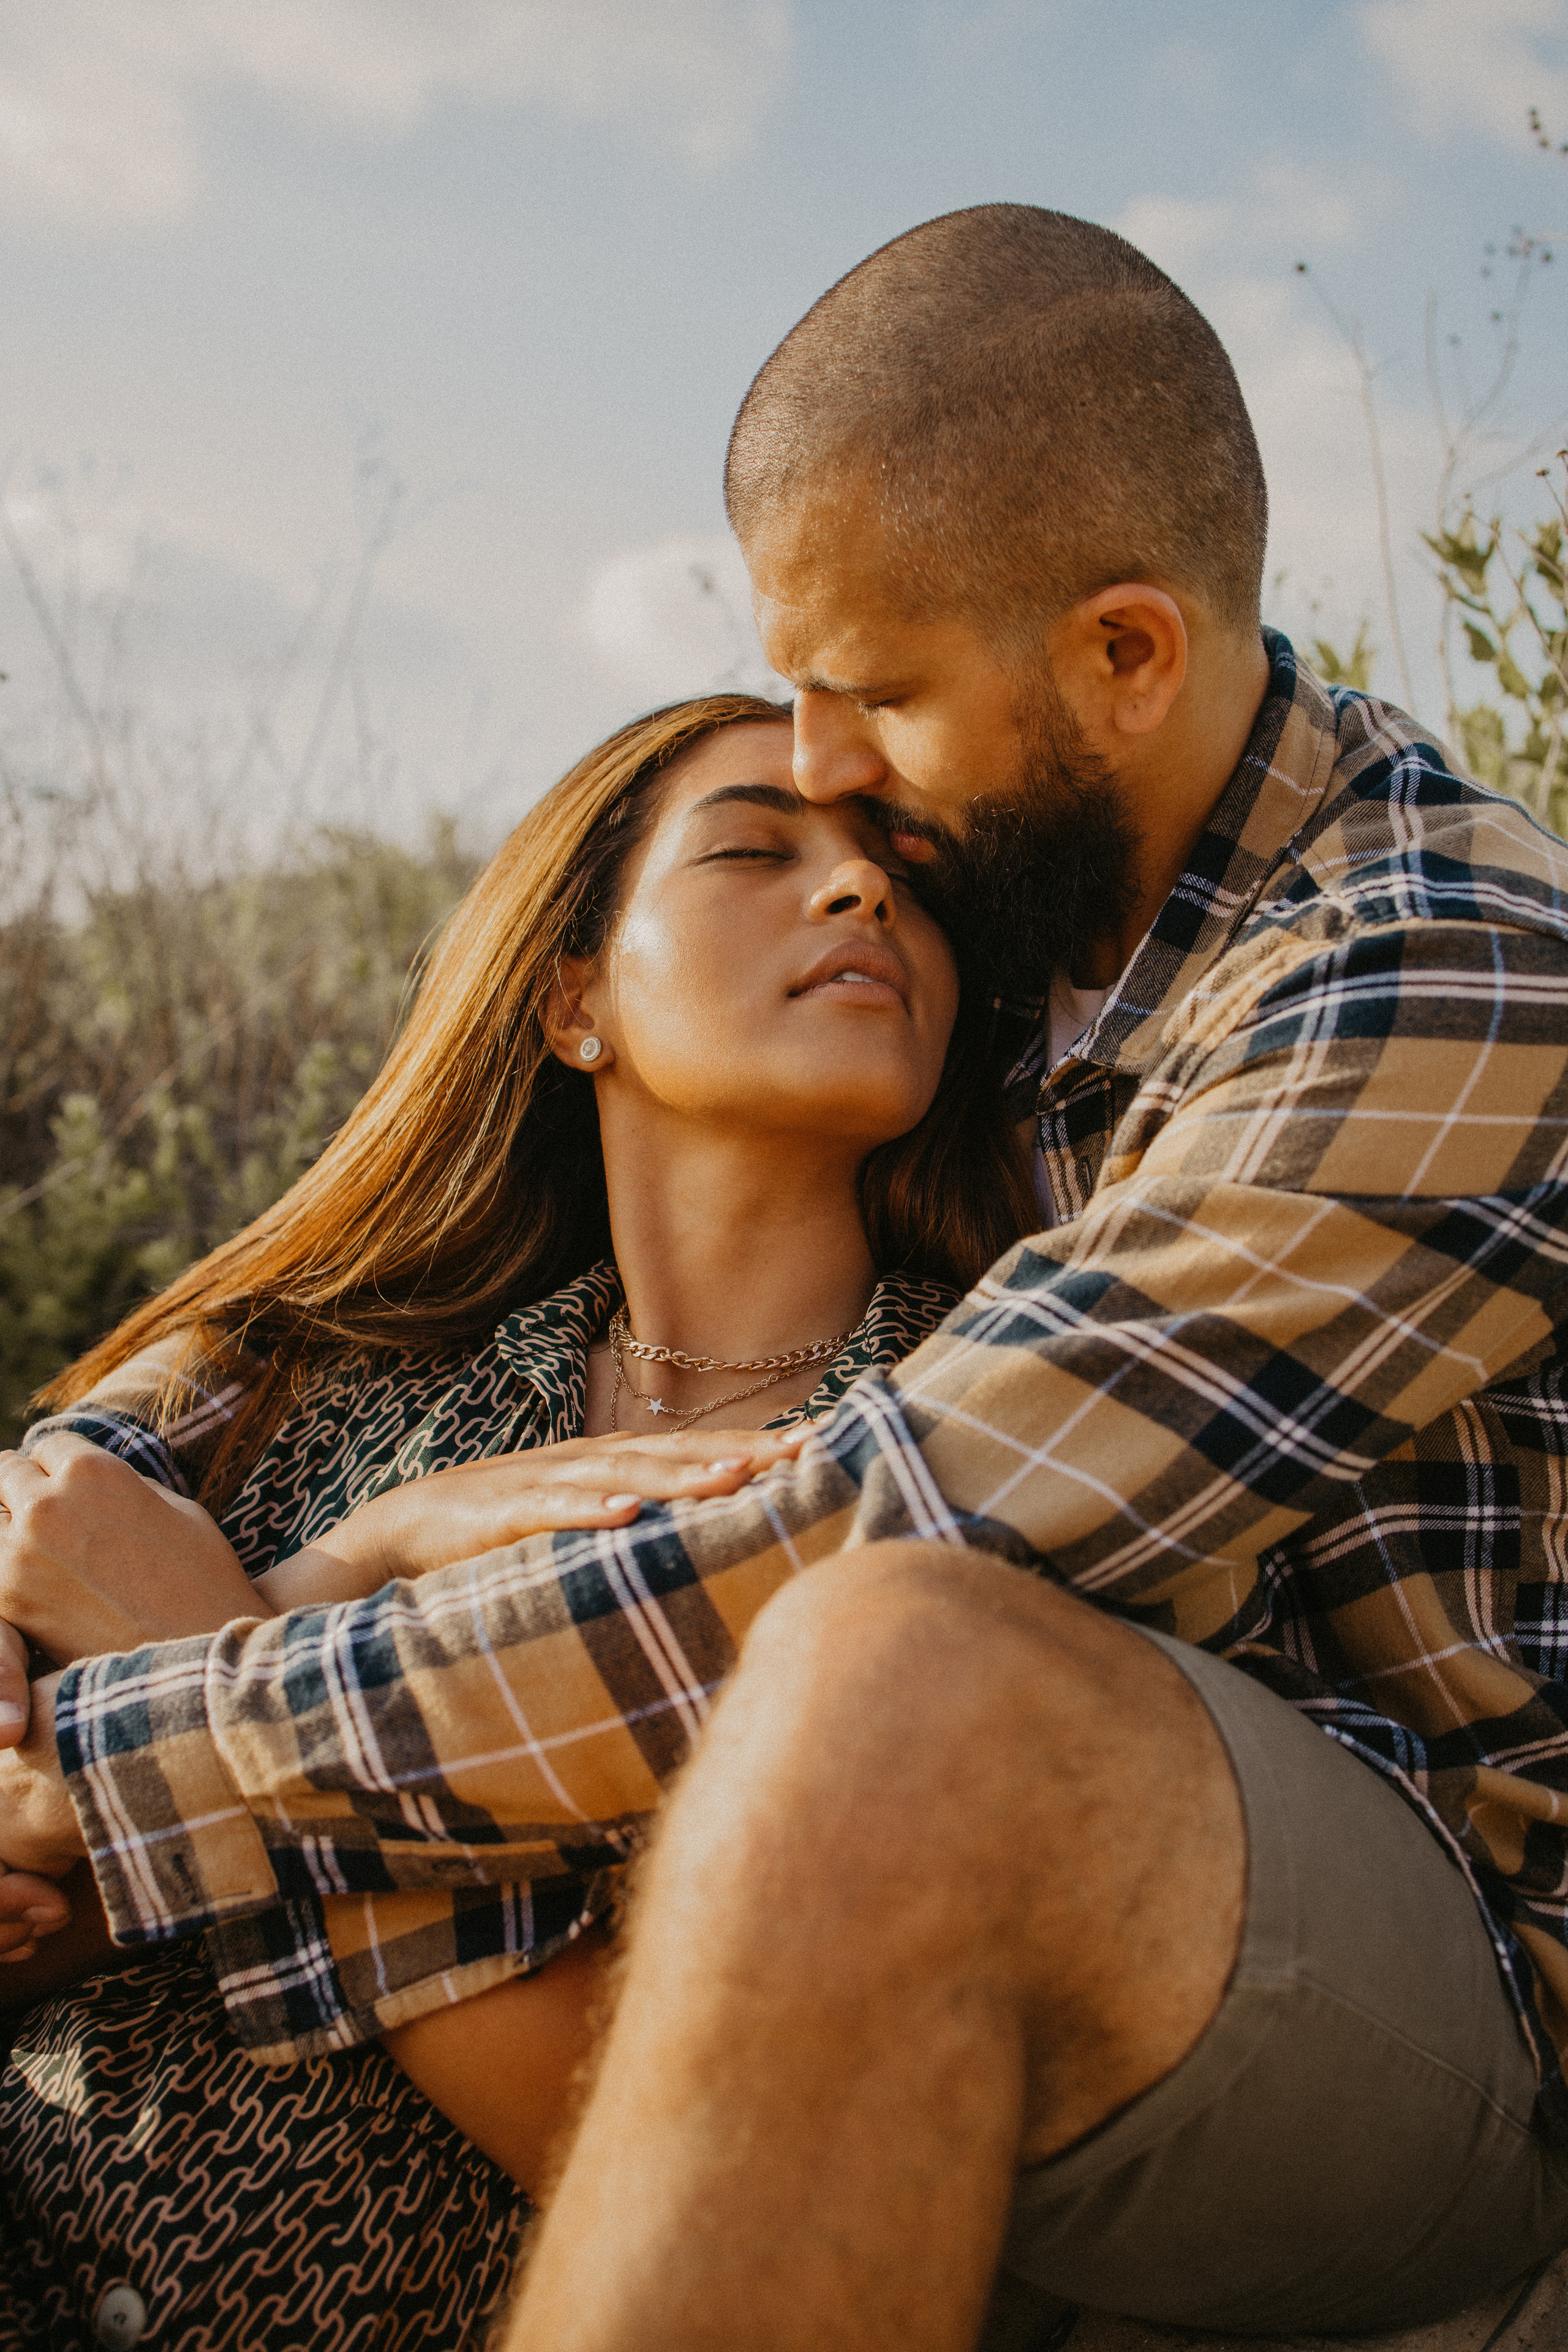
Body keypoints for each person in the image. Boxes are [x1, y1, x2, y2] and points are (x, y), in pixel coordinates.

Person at [5, 201, 1568, 2350]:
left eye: (874, 697)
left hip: (1465, 1952)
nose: (834, 787)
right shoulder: (1037, 905)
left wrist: (181, 1717)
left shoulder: (1433, 968)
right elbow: (110, 1464)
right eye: (785, 727)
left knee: (894, 1666)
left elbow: (900, 1533)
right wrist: (266, 1571)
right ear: (572, 1003)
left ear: (1124, 659)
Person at [0, 689, 1032, 2348]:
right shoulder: (301, 1370)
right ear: (573, 1003)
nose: (861, 898)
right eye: (758, 850)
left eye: (902, 880)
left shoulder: (958, 1448)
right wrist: (353, 1563)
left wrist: (219, 1666)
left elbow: (728, 2164)